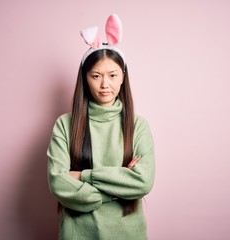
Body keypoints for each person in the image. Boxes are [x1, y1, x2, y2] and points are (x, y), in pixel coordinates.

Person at [47, 14, 155, 240]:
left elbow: (143, 181)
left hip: (128, 233)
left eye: (112, 75)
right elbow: (57, 182)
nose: (105, 84)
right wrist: (118, 187)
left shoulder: (138, 126)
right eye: (96, 75)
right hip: (77, 233)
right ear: (85, 78)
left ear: (123, 77)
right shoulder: (65, 125)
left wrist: (83, 176)